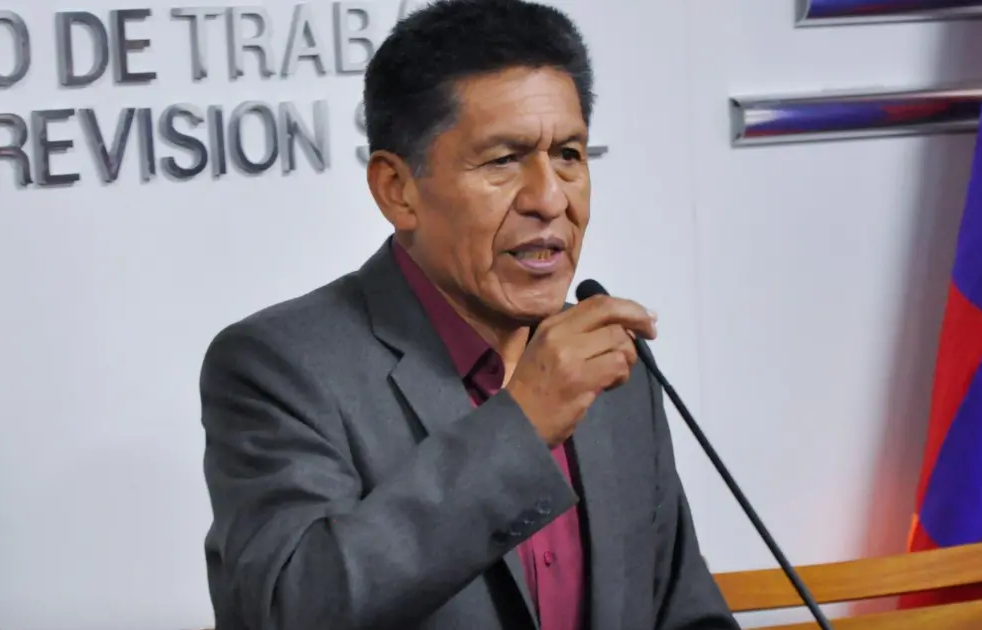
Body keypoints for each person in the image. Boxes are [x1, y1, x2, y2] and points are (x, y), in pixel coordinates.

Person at [199, 1, 739, 628]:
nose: (549, 199)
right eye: (504, 159)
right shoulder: (280, 368)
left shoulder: (611, 367)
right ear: (398, 190)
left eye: (569, 153)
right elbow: (291, 609)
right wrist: (522, 426)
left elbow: (683, 612)